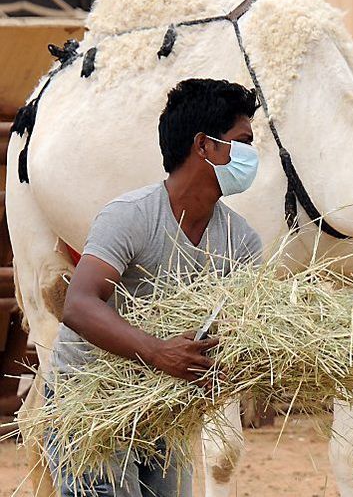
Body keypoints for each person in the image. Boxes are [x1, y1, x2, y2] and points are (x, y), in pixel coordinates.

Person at [47, 78, 264, 497]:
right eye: (242, 142)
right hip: (91, 400)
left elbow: (236, 333)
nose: (252, 157)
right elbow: (79, 303)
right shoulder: (130, 216)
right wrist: (158, 351)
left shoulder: (242, 242)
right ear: (205, 146)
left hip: (167, 405)